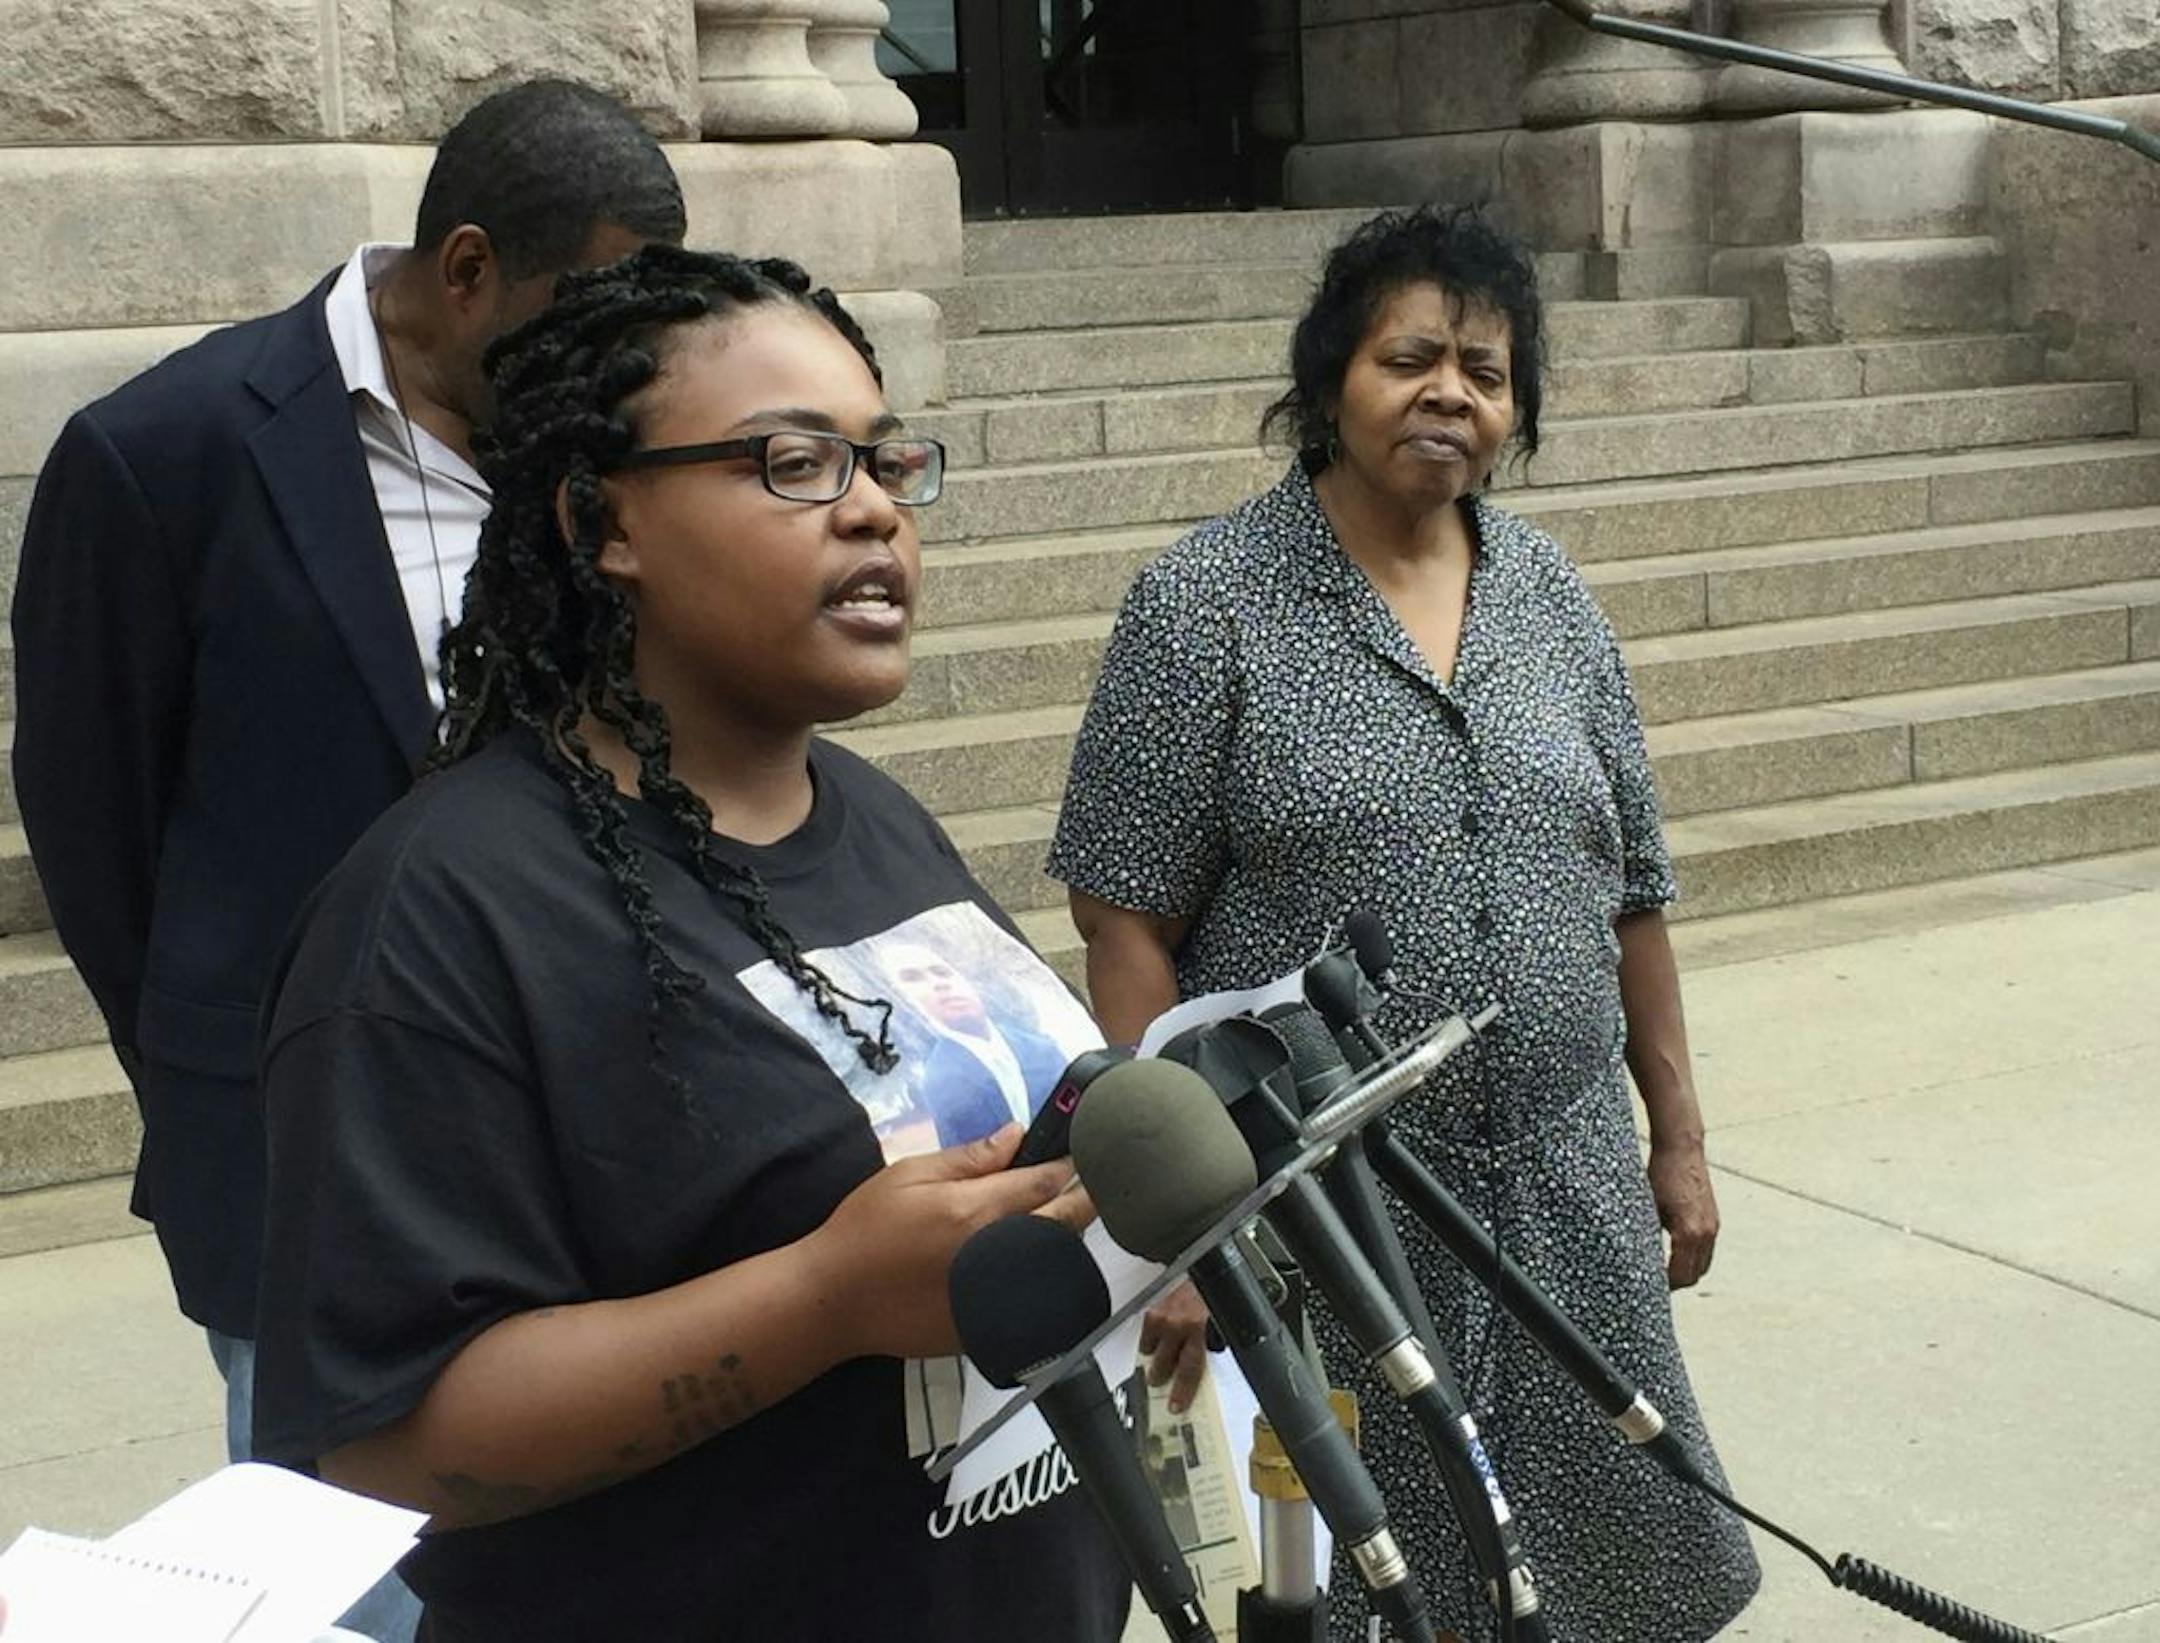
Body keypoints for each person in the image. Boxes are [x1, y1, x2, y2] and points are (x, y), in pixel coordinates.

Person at [246, 245, 1133, 1641]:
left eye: (886, 464)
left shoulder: (883, 819)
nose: (873, 517)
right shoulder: (440, 909)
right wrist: (824, 1296)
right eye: (795, 461)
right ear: (603, 521)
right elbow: (385, 1441)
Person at [8, 86, 686, 1612]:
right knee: (344, 1567)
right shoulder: (161, 452)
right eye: (591, 310)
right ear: (464, 272)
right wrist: (230, 1045)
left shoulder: (597, 457)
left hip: (577, 1118)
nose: (622, 357)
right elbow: (90, 815)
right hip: (288, 1141)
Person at [1049, 206, 1762, 1641]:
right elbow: (1123, 916)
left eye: (1486, 373)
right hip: (1329, 1206)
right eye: (1411, 357)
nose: (1451, 392)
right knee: (1382, 1584)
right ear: (1331, 383)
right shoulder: (1206, 605)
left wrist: (1674, 1139)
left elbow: (1635, 890)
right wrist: (1180, 1230)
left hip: (1566, 1180)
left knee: (1618, 1554)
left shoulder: (1550, 594)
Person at [881, 940, 1072, 1143]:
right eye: (912, 978)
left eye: (942, 972)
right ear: (901, 1000)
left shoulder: (1042, 1048)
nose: (939, 983)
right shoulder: (934, 1081)